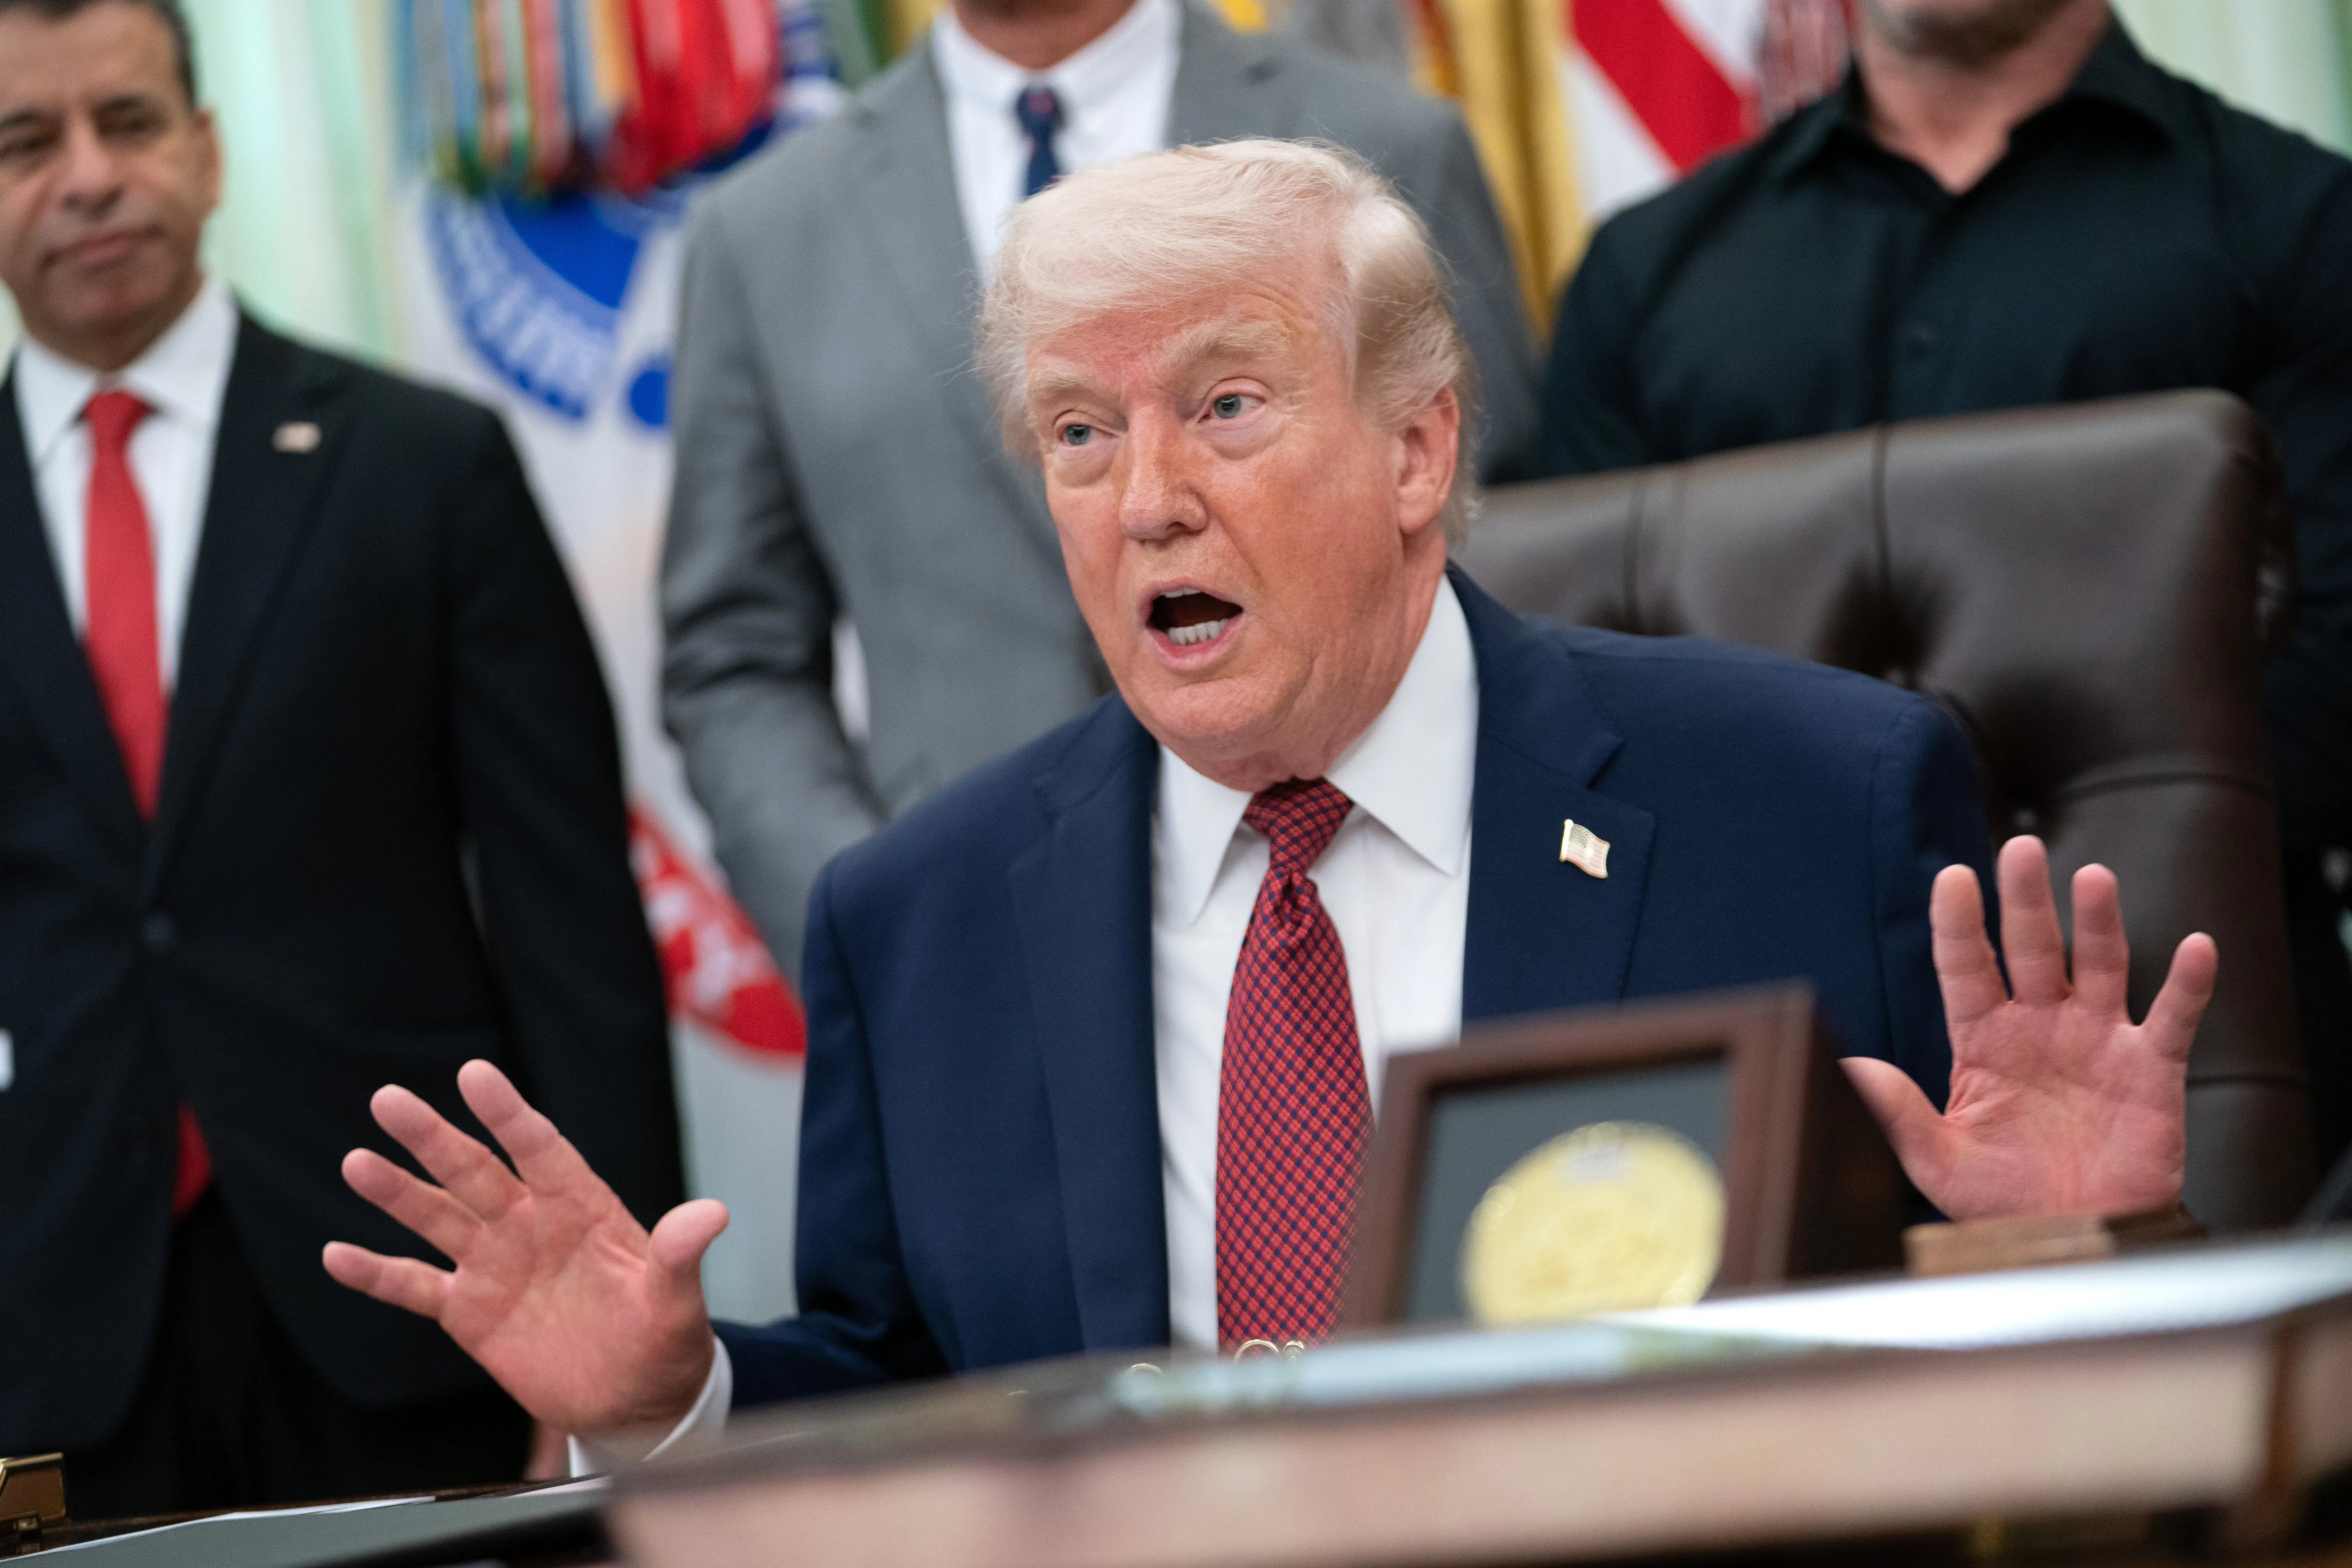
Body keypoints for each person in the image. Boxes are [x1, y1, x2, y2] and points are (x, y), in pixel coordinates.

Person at [326, 140, 2213, 1460]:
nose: (1142, 495)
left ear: (1416, 445)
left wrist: (2062, 1259)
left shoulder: (1809, 802)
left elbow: (1966, 1407)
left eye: (1223, 405)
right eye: (1077, 430)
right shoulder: (921, 917)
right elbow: (911, 1411)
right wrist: (671, 1396)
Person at [0, 0, 684, 1514]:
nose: (89, 176)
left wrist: (606, 1339)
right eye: (24, 143)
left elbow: (573, 927)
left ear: (210, 146)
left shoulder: (421, 467)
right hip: (50, 1336)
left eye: (128, 121)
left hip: (420, 1301)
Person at [1538, 0, 2352, 1175]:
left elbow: (2336, 667)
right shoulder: (1643, 272)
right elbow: (1565, 695)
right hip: (1749, 1063)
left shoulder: (2303, 227)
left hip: (2180, 1065)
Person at [659, 0, 1541, 980]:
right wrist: (886, 919)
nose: (1146, 507)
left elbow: (1520, 536)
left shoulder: (1388, 140)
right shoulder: (763, 232)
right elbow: (734, 656)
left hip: (1410, 908)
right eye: (1081, 431)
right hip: (975, 965)